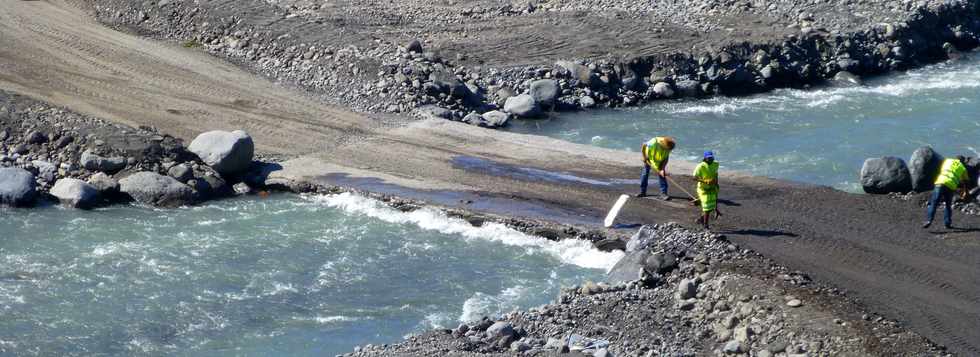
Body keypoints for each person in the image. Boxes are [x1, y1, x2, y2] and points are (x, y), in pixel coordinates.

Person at [923, 155, 972, 229]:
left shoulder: (947, 161)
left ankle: (929, 220)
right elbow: (966, 181)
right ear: (963, 162)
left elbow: (940, 169)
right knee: (948, 205)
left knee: (934, 202)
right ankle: (947, 223)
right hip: (950, 186)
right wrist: (965, 192)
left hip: (940, 182)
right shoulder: (962, 168)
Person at [693, 151, 721, 229]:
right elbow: (694, 178)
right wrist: (705, 181)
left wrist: (716, 183)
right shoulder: (700, 166)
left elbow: (716, 174)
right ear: (705, 158)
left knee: (711, 206)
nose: (711, 159)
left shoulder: (715, 164)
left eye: (712, 157)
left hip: (712, 187)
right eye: (709, 158)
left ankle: (701, 219)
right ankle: (705, 225)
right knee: (707, 207)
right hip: (703, 189)